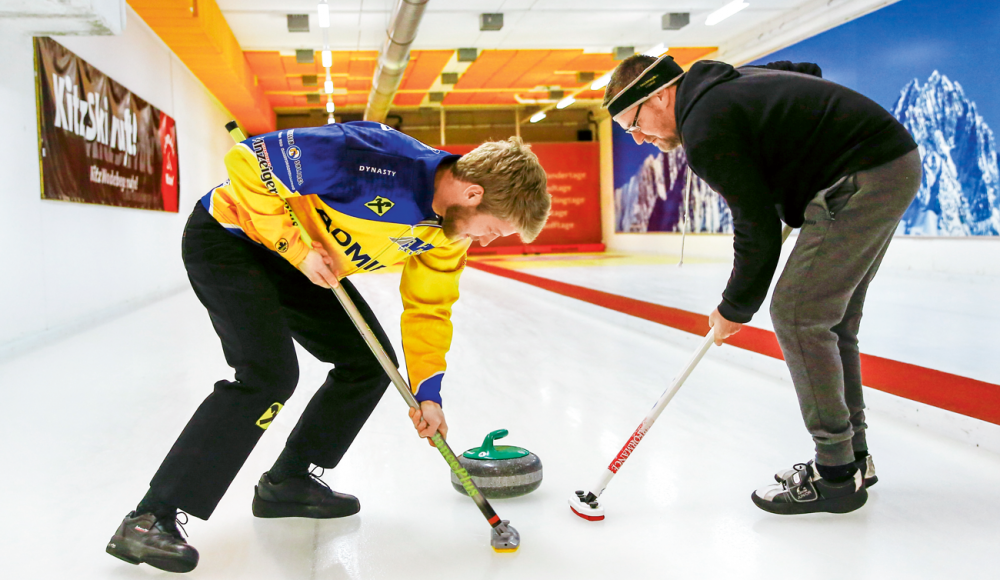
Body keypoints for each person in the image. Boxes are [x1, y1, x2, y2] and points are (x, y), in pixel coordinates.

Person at [106, 121, 550, 573]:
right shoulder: (370, 155)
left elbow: (428, 311)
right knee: (268, 377)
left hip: (300, 262)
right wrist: (295, 248)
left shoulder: (446, 235)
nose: (487, 240)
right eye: (494, 229)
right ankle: (149, 517)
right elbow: (246, 162)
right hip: (231, 239)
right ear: (473, 194)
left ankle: (288, 482)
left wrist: (428, 394)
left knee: (369, 363)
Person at [603, 54, 920, 515]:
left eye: (633, 122)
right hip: (888, 163)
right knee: (830, 320)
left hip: (865, 173)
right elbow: (806, 72)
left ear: (659, 94)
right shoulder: (728, 85)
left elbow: (756, 227)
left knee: (798, 314)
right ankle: (852, 460)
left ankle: (834, 476)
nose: (638, 138)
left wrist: (734, 307)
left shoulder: (706, 128)